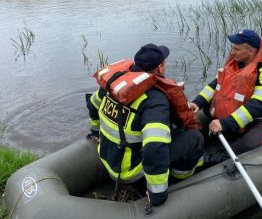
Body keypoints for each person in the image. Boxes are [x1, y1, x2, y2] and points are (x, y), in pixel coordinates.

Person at [86, 43, 203, 206]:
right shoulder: (154, 100)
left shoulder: (115, 85)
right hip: (132, 172)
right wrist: (158, 194)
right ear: (160, 68)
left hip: (107, 158)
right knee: (194, 138)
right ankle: (177, 179)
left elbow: (93, 104)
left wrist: (95, 132)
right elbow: (154, 148)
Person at [190, 29, 262, 163]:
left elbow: (258, 105)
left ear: (250, 51)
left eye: (236, 49)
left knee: (248, 144)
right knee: (209, 109)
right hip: (239, 110)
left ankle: (215, 159)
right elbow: (215, 85)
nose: (232, 52)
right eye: (232, 48)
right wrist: (197, 102)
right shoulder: (235, 63)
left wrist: (225, 123)